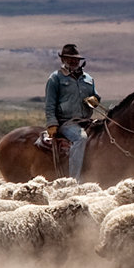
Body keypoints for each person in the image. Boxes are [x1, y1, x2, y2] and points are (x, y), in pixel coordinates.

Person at [41, 43, 101, 180]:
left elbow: (96, 98)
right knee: (81, 138)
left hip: (86, 121)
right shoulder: (55, 78)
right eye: (70, 58)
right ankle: (74, 181)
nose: (74, 61)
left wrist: (94, 100)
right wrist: (52, 123)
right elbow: (50, 103)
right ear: (63, 60)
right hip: (66, 123)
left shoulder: (88, 79)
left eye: (76, 59)